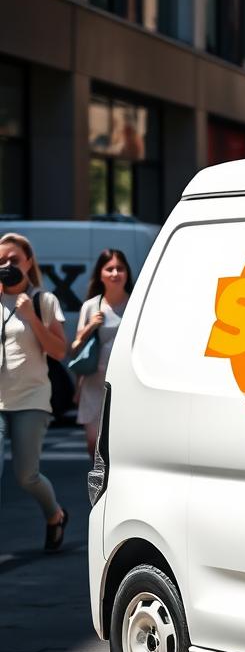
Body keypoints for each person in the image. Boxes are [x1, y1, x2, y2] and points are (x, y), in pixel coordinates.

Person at [0, 232, 70, 551]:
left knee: (26, 475)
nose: (7, 265)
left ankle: (54, 515)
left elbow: (59, 351)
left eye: (14, 260)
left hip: (31, 399)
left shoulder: (44, 300)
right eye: (1, 260)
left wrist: (31, 317)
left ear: (28, 262)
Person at [71, 249, 132, 459]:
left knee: (120, 445)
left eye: (120, 268)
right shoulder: (91, 306)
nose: (115, 273)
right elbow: (75, 348)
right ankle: (100, 485)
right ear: (100, 274)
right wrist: (90, 326)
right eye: (109, 269)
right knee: (92, 444)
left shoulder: (135, 304)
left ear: (127, 273)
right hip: (93, 385)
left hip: (126, 385)